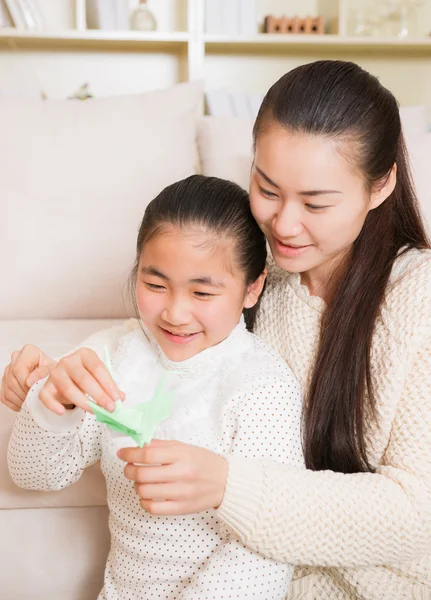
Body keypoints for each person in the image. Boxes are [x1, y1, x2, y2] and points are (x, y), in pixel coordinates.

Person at [3, 59, 431, 599]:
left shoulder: (419, 302)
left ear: (382, 183)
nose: (283, 224)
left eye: (316, 202)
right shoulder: (255, 268)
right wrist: (49, 387)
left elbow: (419, 514)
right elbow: (158, 340)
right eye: (267, 188)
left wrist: (229, 486)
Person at [6, 175, 304, 600]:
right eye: (155, 285)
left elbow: (265, 551)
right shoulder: (115, 354)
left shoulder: (262, 385)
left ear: (252, 288)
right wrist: (50, 406)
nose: (175, 313)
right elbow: (35, 474)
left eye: (202, 292)